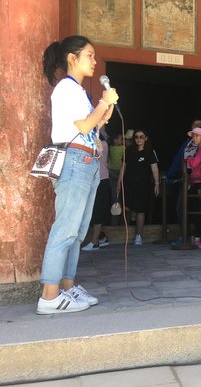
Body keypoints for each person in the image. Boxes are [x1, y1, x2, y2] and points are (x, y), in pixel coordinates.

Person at [37, 35, 118, 314]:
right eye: (90, 55)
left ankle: (68, 288)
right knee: (66, 228)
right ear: (73, 58)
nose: (94, 61)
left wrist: (105, 110)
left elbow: (91, 127)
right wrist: (102, 103)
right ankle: (49, 296)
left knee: (78, 231)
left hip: (87, 160)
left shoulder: (80, 92)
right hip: (74, 160)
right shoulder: (66, 88)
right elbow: (83, 127)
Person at [117, 129, 160, 246]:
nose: (139, 139)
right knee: (126, 208)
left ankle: (138, 236)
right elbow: (123, 168)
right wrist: (118, 184)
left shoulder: (150, 152)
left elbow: (154, 169)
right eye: (136, 137)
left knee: (140, 210)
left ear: (146, 138)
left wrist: (157, 183)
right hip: (128, 184)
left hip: (143, 185)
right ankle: (124, 233)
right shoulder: (128, 151)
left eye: (141, 137)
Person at [81, 130, 111, 251]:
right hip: (92, 179)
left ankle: (94, 242)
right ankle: (101, 237)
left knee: (97, 211)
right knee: (91, 210)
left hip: (100, 179)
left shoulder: (100, 142)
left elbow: (96, 154)